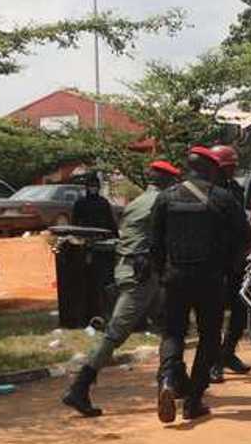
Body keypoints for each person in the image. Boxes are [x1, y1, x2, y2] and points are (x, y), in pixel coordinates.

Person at [61, 160, 181, 417]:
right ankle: (79, 387)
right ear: (168, 182)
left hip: (132, 271)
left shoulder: (138, 201)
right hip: (143, 275)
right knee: (115, 333)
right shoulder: (161, 202)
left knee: (169, 326)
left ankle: (175, 382)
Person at [150, 146, 239, 423]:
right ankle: (194, 400)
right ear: (211, 169)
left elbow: (155, 243)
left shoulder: (165, 198)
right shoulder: (222, 198)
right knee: (209, 337)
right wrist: (228, 270)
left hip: (174, 277)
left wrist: (161, 276)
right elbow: (242, 238)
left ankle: (167, 380)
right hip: (209, 280)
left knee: (172, 334)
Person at [208, 144, 251, 384]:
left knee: (240, 309)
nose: (233, 170)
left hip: (237, 258)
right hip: (215, 260)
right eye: (229, 166)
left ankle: (228, 352)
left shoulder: (235, 189)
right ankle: (214, 362)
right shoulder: (207, 191)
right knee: (215, 312)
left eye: (234, 166)